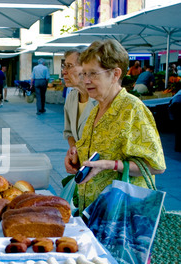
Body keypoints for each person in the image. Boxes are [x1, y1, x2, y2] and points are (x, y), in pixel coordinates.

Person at [65, 39, 166, 212]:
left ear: (115, 74)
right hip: (93, 213)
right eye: (85, 73)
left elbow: (156, 166)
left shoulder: (132, 108)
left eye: (94, 74)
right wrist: (75, 157)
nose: (86, 80)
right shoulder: (97, 108)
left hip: (121, 217)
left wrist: (110, 165)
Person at [62, 49, 97, 161]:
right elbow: (69, 132)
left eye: (69, 66)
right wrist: (74, 149)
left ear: (86, 68)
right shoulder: (72, 97)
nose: (64, 71)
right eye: (64, 66)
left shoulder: (101, 100)